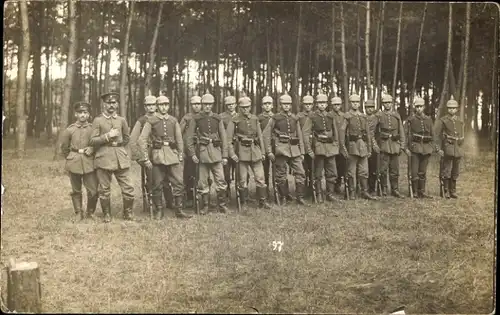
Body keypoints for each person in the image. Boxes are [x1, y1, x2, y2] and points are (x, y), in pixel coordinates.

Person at [137, 95, 192, 219]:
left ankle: (179, 210)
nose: (164, 107)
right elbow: (142, 140)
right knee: (157, 183)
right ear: (157, 106)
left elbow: (179, 139)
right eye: (161, 105)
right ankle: (159, 210)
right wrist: (146, 158)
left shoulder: (173, 120)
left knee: (178, 182)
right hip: (157, 156)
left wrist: (180, 154)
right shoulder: (151, 121)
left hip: (173, 155)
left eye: (166, 105)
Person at [89, 92, 135, 222]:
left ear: (117, 104)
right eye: (109, 103)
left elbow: (126, 138)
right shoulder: (98, 120)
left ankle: (128, 213)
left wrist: (118, 147)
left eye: (114, 103)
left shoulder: (121, 120)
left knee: (128, 187)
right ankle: (107, 214)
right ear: (104, 104)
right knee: (104, 188)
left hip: (120, 157)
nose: (111, 105)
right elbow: (92, 140)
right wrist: (107, 136)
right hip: (103, 157)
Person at [185, 91, 229, 214]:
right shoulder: (196, 118)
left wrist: (225, 155)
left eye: (210, 104)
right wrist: (192, 153)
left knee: (220, 179)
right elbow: (189, 137)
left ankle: (222, 205)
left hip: (216, 152)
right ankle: (205, 205)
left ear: (213, 105)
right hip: (202, 153)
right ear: (202, 105)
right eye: (205, 104)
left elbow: (224, 137)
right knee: (202, 182)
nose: (207, 107)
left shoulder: (217, 118)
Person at [226, 93, 271, 210]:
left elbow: (260, 136)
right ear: (239, 108)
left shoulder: (255, 119)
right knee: (242, 180)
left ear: (250, 107)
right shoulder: (234, 120)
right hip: (241, 152)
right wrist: (232, 153)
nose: (245, 109)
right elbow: (229, 139)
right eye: (243, 107)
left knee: (260, 177)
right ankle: (244, 202)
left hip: (255, 151)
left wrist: (263, 152)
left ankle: (262, 201)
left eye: (247, 107)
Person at [263, 91, 307, 205]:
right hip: (281, 149)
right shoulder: (275, 118)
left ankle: (300, 197)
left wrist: (302, 152)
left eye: (288, 104)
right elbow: (266, 135)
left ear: (291, 105)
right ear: (280, 105)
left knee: (300, 172)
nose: (286, 106)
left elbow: (299, 135)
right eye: (284, 104)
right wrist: (269, 152)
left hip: (294, 149)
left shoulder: (294, 118)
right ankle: (283, 196)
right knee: (281, 174)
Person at [60, 101, 99, 221]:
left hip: (89, 162)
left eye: (85, 112)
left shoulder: (93, 128)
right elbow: (64, 147)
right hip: (74, 161)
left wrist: (92, 149)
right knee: (76, 189)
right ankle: (78, 212)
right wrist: (71, 157)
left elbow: (98, 143)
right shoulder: (70, 130)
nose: (83, 115)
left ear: (88, 115)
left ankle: (90, 212)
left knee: (93, 190)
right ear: (76, 114)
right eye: (80, 112)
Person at [302, 92, 341, 202]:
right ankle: (318, 193)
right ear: (316, 104)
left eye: (324, 103)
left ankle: (330, 193)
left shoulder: (330, 116)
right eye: (320, 103)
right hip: (318, 147)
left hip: (330, 147)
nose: (322, 105)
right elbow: (305, 133)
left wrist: (336, 144)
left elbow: (335, 132)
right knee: (318, 173)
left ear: (327, 104)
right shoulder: (312, 116)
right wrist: (309, 149)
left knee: (332, 172)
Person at [339, 94, 377, 200]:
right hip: (352, 146)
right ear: (350, 103)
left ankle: (364, 191)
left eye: (357, 102)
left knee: (364, 170)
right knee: (351, 171)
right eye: (353, 102)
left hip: (363, 147)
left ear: (359, 103)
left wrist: (369, 148)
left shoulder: (363, 116)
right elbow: (342, 132)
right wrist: (343, 148)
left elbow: (368, 134)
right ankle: (351, 192)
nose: (355, 104)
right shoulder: (347, 116)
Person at [405, 97, 442, 198]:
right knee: (414, 171)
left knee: (422, 171)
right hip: (415, 148)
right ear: (414, 108)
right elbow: (406, 134)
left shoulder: (428, 120)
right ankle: (415, 191)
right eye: (417, 107)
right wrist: (406, 148)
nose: (419, 109)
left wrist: (436, 148)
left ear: (424, 107)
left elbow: (433, 135)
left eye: (420, 106)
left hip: (426, 148)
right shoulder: (411, 120)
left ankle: (422, 191)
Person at [372, 94, 408, 198]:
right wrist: (375, 144)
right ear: (383, 104)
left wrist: (402, 145)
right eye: (385, 103)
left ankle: (395, 189)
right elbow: (372, 131)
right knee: (383, 169)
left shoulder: (396, 116)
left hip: (395, 145)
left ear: (391, 103)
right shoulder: (378, 115)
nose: (387, 105)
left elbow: (401, 131)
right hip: (384, 145)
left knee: (394, 169)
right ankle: (383, 188)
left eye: (389, 103)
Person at [434, 95, 463, 199]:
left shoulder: (459, 121)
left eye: (454, 108)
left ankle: (453, 190)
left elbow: (461, 136)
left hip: (457, 149)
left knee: (455, 170)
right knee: (446, 170)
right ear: (447, 109)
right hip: (447, 148)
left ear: (457, 109)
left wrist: (460, 144)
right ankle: (445, 190)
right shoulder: (443, 120)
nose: (452, 110)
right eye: (450, 108)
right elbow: (436, 136)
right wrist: (438, 149)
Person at [180, 93, 203, 207]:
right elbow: (179, 133)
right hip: (188, 149)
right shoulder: (187, 117)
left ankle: (202, 197)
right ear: (191, 105)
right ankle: (189, 197)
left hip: (202, 148)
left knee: (201, 173)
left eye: (198, 104)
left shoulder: (204, 116)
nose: (196, 106)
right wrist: (183, 151)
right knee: (188, 174)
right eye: (194, 104)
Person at [220, 92, 238, 198]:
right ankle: (226, 192)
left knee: (240, 171)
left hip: (238, 147)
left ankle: (240, 193)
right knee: (226, 171)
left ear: (235, 105)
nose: (231, 106)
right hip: (225, 147)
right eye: (228, 104)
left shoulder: (240, 116)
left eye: (232, 104)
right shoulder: (221, 117)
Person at [297, 93, 315, 197]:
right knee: (303, 169)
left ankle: (311, 188)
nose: (308, 106)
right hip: (302, 147)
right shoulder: (299, 116)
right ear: (303, 105)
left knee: (313, 169)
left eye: (310, 104)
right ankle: (302, 190)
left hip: (313, 145)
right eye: (306, 104)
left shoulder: (315, 115)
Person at [258, 91, 275, 200]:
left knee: (277, 170)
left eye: (269, 103)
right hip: (261, 147)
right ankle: (265, 191)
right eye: (265, 104)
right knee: (264, 170)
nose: (267, 105)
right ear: (262, 106)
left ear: (272, 105)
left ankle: (277, 190)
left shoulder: (276, 117)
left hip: (275, 146)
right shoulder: (259, 118)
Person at [330, 94, 347, 195]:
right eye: (335, 105)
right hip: (332, 144)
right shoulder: (329, 115)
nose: (336, 106)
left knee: (342, 166)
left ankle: (338, 184)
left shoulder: (344, 116)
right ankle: (332, 185)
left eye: (338, 105)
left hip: (342, 144)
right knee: (332, 166)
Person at [365, 99, 379, 194]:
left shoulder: (377, 119)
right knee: (364, 168)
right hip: (363, 145)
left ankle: (372, 188)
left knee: (373, 168)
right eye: (368, 108)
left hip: (374, 146)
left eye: (371, 107)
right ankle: (363, 188)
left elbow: (378, 133)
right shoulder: (362, 117)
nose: (370, 110)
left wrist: (375, 144)